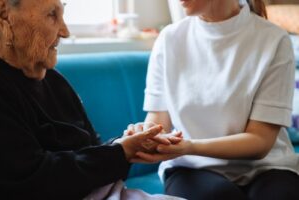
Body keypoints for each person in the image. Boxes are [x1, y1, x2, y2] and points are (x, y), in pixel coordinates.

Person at [0, 0, 185, 199]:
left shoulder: (54, 80)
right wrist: (121, 152)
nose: (65, 31)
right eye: (52, 15)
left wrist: (127, 144)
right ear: (4, 14)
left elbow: (89, 151)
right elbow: (33, 180)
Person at [128, 0, 299, 199]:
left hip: (268, 167)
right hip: (190, 167)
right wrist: (145, 135)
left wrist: (190, 145)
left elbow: (260, 141)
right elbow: (158, 121)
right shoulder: (169, 39)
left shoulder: (274, 40)